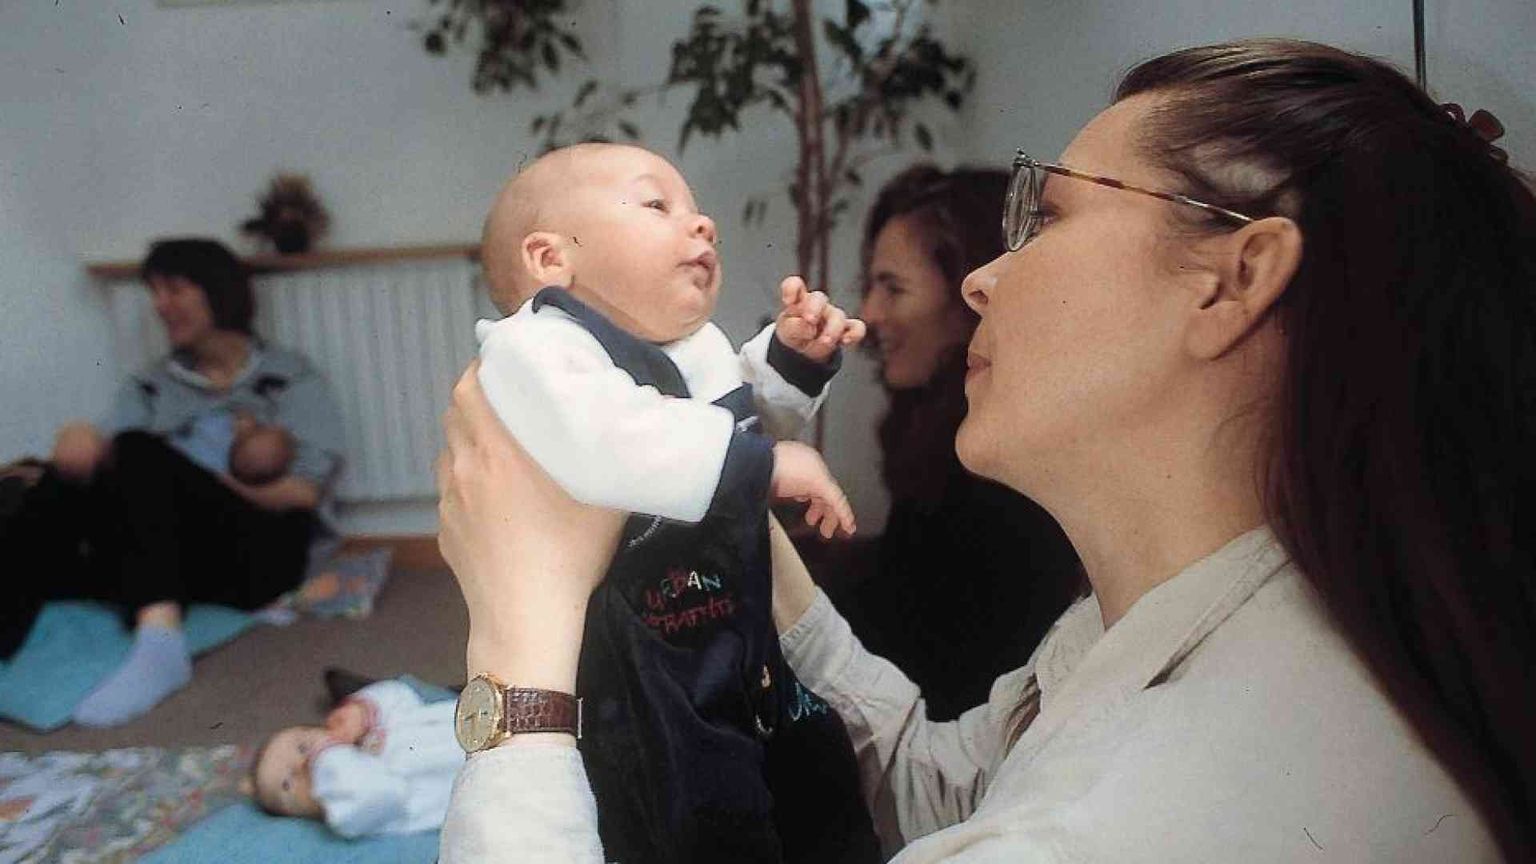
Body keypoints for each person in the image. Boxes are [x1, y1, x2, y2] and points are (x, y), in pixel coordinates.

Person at [434, 39, 1534, 862]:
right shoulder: (1190, 615)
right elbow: (950, 791)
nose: (978, 279)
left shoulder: (1127, 830)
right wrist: (738, 529)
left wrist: (520, 669)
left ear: (1232, 281)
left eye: (1045, 218)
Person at [471, 143, 881, 863]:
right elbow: (613, 442)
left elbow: (737, 424)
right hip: (636, 673)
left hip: (736, 635)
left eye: (696, 209)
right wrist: (764, 467)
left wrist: (790, 361)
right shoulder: (534, 347)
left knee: (818, 776)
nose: (702, 224)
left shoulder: (695, 346)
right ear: (550, 257)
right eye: (658, 205)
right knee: (696, 819)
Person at [0, 238, 345, 727]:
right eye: (155, 293)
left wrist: (209, 481)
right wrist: (77, 445)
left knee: (138, 450)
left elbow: (304, 493)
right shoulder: (151, 385)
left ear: (218, 292)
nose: (161, 305)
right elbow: (108, 469)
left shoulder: (290, 377)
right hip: (171, 555)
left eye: (175, 289)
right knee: (55, 484)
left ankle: (160, 645)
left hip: (259, 554)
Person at [835, 164, 1083, 720]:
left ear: (973, 291)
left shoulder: (994, 468)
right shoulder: (929, 432)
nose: (869, 314)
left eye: (893, 287)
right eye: (871, 286)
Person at [250, 678, 462, 838]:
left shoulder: (367, 734)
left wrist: (362, 709)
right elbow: (381, 792)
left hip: (468, 716)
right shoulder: (345, 809)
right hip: (474, 776)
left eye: (302, 747)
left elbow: (403, 696)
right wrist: (325, 755)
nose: (302, 764)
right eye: (286, 784)